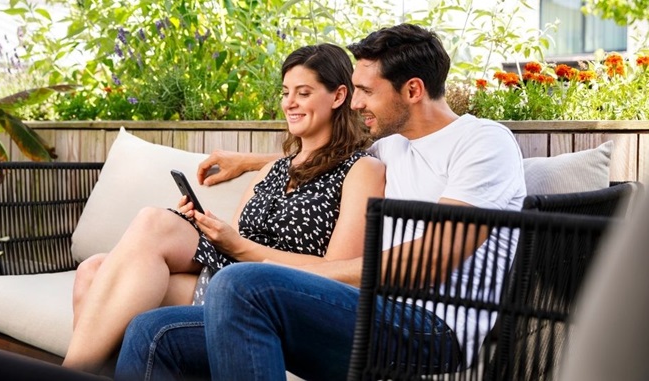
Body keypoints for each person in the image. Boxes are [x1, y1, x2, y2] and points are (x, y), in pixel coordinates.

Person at [114, 23, 526, 381]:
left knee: (242, 282)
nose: (356, 102)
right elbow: (329, 161)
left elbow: (431, 259)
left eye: (366, 90)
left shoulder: (482, 142)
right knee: (152, 330)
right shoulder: (395, 146)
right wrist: (248, 162)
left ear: (413, 89)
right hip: (365, 311)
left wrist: (322, 276)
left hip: (431, 329)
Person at [61, 43, 386, 374]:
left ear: (338, 96)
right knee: (93, 269)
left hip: (266, 296)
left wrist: (238, 245)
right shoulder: (271, 169)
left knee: (153, 223)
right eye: (286, 91)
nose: (289, 103)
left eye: (303, 93)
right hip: (223, 278)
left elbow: (339, 272)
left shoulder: (362, 170)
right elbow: (236, 238)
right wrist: (210, 228)